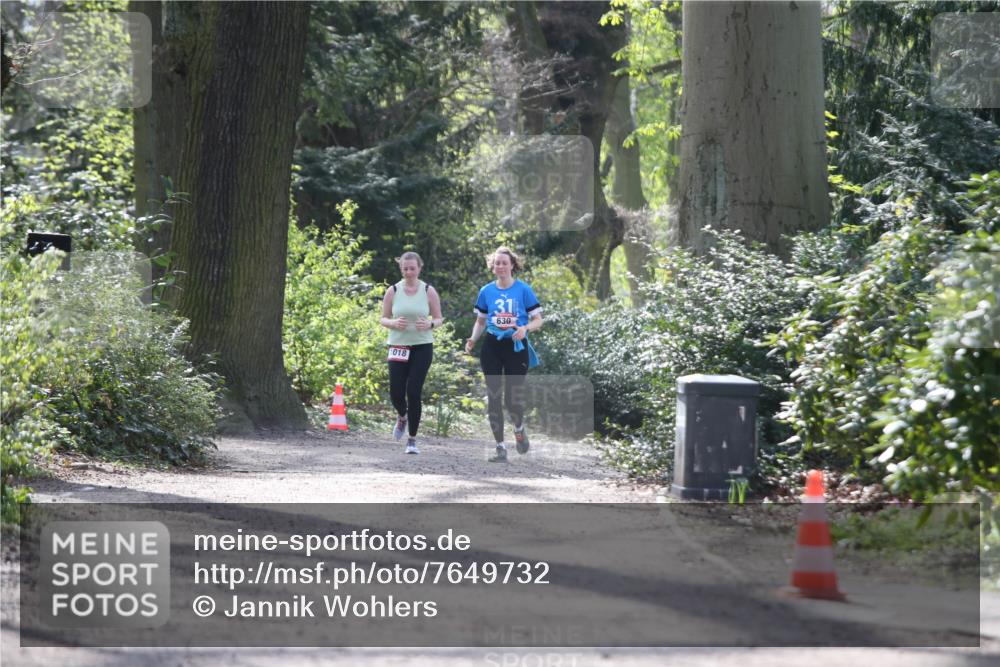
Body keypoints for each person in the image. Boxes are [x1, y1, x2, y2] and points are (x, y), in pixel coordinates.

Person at [465, 247, 542, 463]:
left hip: (516, 346)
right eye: (496, 263)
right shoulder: (486, 291)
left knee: (512, 399)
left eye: (504, 263)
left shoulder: (524, 290)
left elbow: (538, 319)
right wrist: (473, 339)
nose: (500, 266)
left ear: (512, 265)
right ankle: (500, 447)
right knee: (494, 398)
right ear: (492, 266)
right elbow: (481, 321)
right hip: (492, 346)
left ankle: (519, 429)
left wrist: (525, 329)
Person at [380, 251, 442, 455]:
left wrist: (431, 323)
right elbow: (383, 318)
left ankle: (412, 440)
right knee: (396, 392)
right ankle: (402, 417)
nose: (408, 272)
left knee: (414, 391)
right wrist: (393, 323)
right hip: (398, 345)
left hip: (422, 346)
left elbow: (439, 318)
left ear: (419, 268)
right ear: (401, 269)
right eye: (405, 269)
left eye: (412, 268)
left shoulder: (428, 290)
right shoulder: (393, 290)